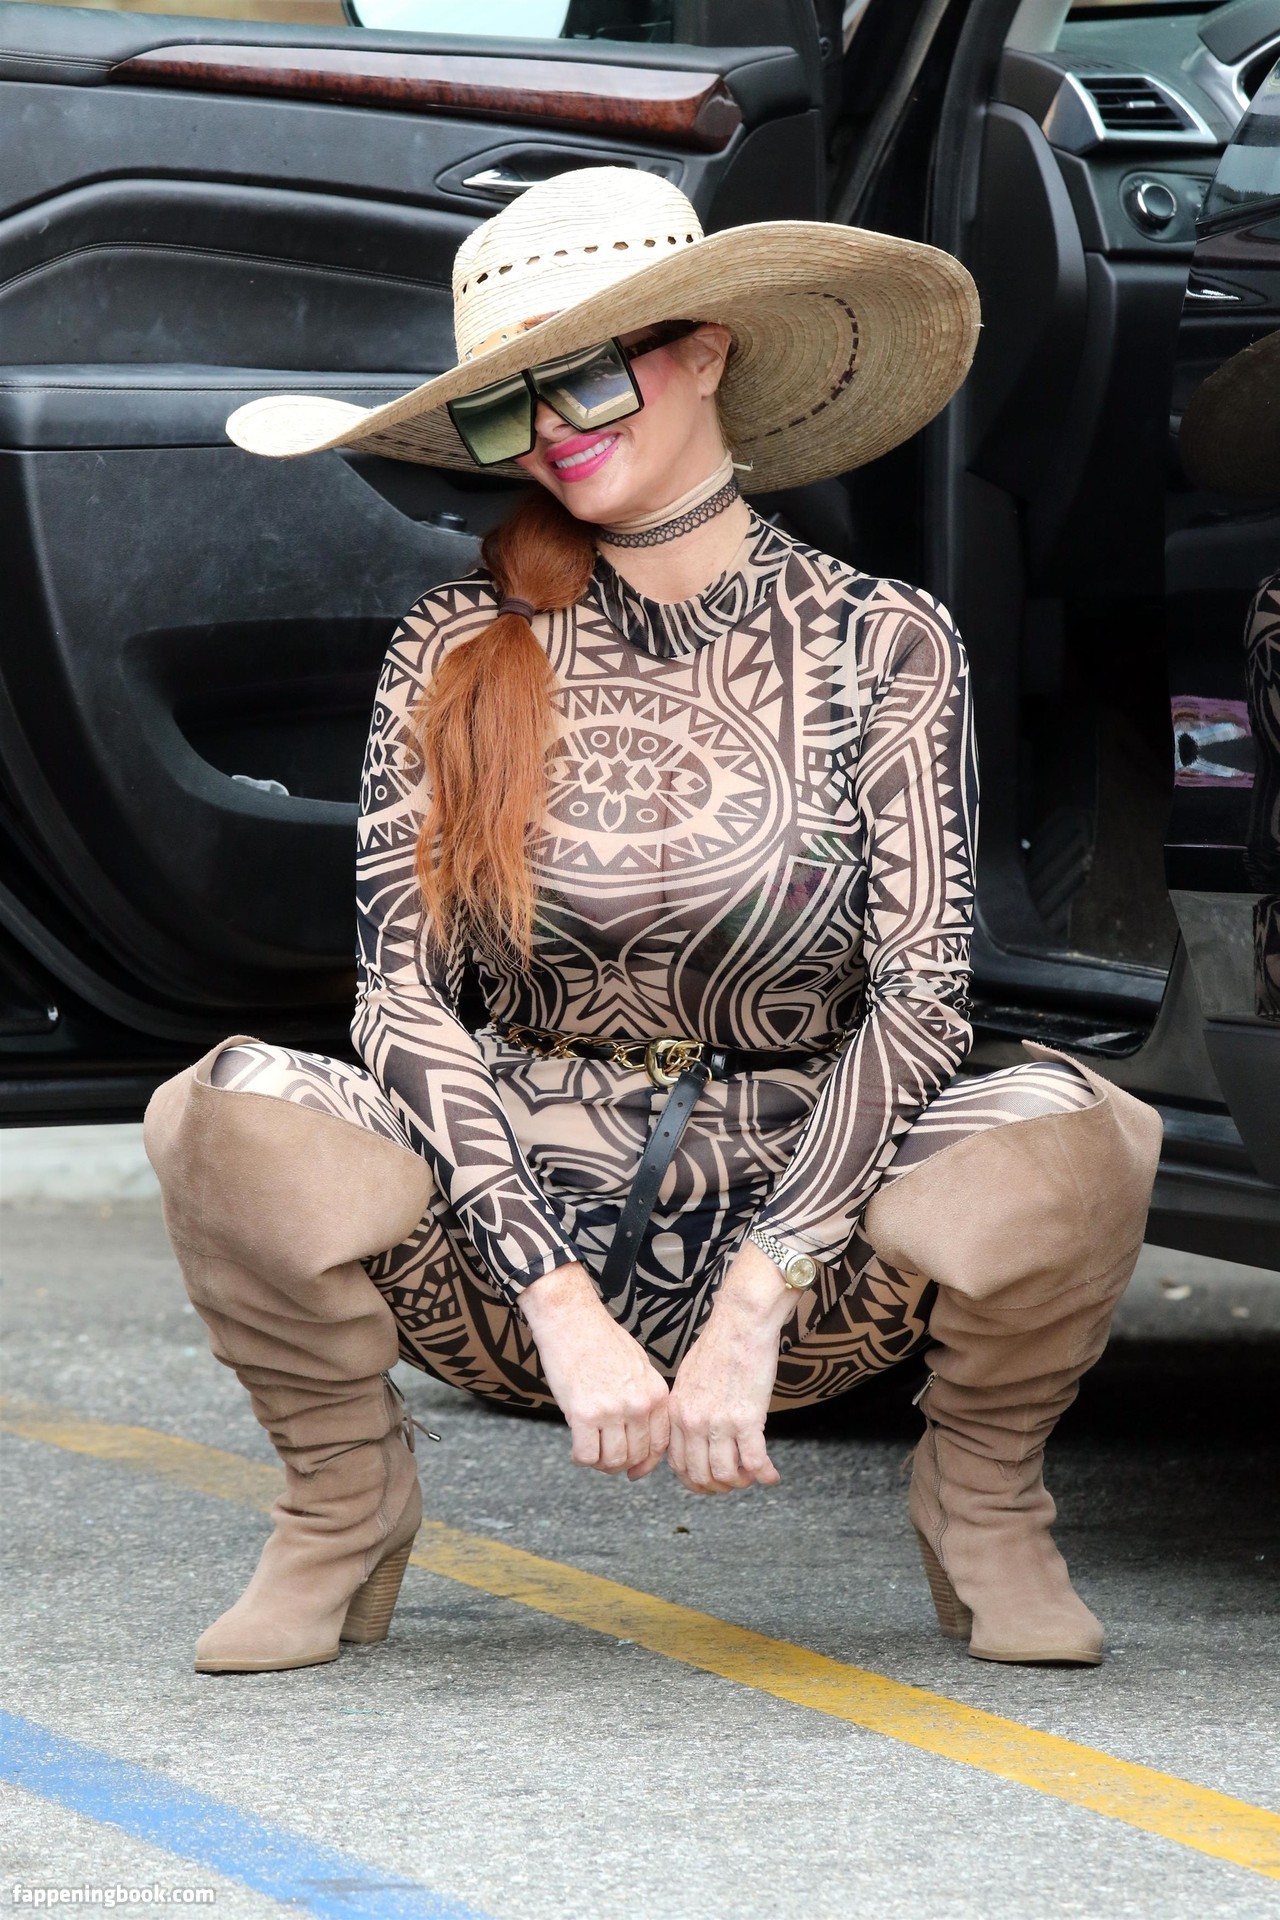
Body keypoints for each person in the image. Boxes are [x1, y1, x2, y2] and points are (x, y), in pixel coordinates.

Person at [145, 168, 1162, 1677]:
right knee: (218, 1111)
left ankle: (988, 1500)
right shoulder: (454, 640)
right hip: (499, 1245)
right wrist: (553, 1296)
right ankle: (341, 1503)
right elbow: (398, 998)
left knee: (1083, 1132)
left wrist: (764, 1287)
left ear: (706, 351)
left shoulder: (881, 638)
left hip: (815, 1256)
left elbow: (923, 995)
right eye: (510, 407)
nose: (553, 431)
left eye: (590, 374)